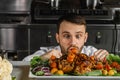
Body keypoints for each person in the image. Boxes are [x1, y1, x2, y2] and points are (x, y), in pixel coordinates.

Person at [23, 14, 109, 61]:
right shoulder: (49, 53)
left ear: (85, 38)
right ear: (58, 38)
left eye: (78, 36)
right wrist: (42, 58)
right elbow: (24, 62)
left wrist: (108, 58)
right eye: (67, 36)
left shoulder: (91, 53)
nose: (72, 42)